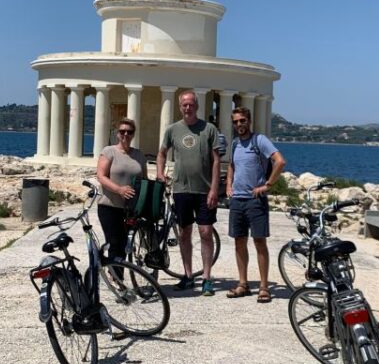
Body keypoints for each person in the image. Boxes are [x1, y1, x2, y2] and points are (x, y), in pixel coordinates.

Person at [156, 90, 221, 295]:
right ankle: (188, 275)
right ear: (179, 106)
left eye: (191, 104)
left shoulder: (209, 129)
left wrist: (214, 189)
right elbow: (161, 153)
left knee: (206, 232)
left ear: (197, 106)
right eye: (184, 104)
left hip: (204, 191)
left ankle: (207, 278)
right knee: (184, 233)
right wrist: (160, 173)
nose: (188, 107)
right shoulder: (173, 130)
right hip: (181, 189)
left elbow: (216, 160)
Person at [225, 107, 286, 303]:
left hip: (255, 201)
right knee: (239, 241)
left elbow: (280, 161)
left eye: (242, 120)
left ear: (249, 121)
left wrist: (267, 185)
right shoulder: (235, 144)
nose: (239, 125)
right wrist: (228, 186)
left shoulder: (259, 140)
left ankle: (264, 287)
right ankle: (243, 284)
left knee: (259, 242)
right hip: (237, 200)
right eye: (235, 122)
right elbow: (232, 165)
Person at [96, 117, 147, 265]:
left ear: (133, 134)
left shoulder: (139, 155)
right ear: (117, 134)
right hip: (109, 206)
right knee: (114, 243)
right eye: (122, 131)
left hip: (130, 209)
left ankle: (119, 278)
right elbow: (101, 176)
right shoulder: (109, 151)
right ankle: (116, 280)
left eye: (129, 132)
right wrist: (119, 189)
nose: (125, 135)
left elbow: (144, 179)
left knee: (125, 244)